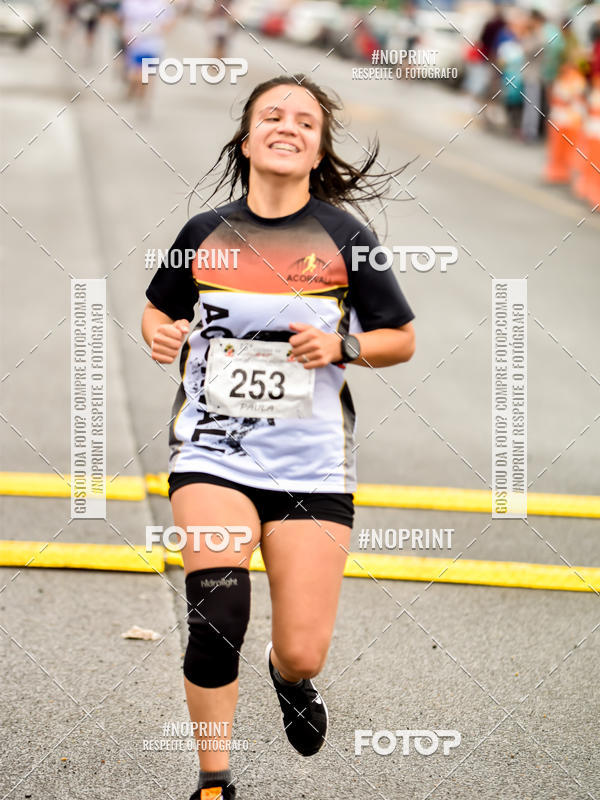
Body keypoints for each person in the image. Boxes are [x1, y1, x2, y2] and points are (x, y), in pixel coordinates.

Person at [141, 74, 416, 800]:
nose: (287, 126)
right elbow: (155, 311)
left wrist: (344, 349)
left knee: (303, 649)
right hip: (212, 453)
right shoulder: (203, 235)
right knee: (218, 613)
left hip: (312, 465)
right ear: (247, 136)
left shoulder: (345, 238)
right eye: (272, 115)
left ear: (317, 146)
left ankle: (287, 679)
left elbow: (400, 337)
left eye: (304, 120)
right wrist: (162, 334)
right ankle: (213, 781)